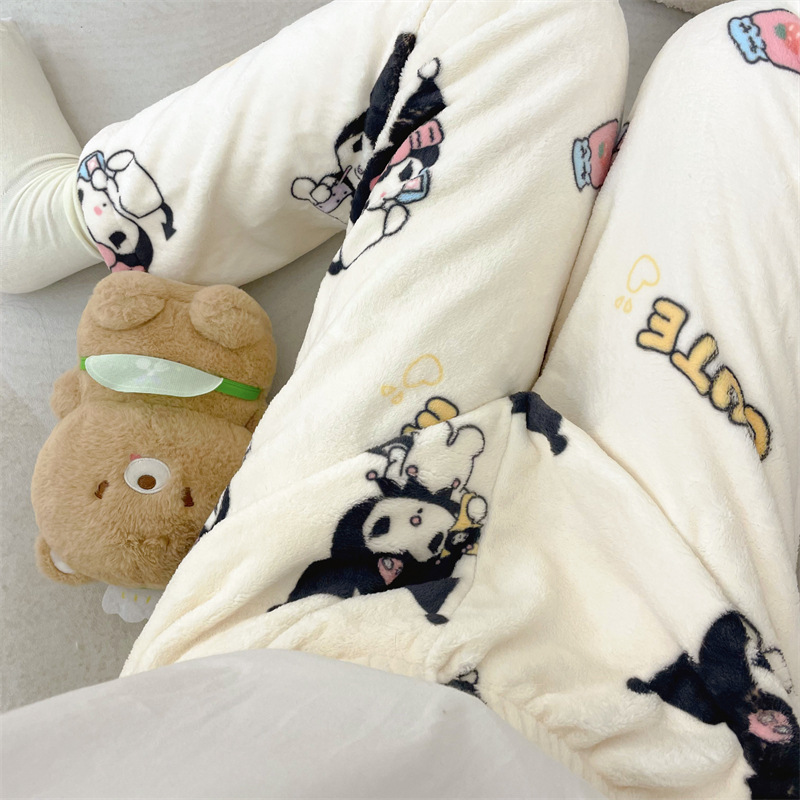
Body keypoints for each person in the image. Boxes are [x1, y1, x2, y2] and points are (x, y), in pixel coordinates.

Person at [2, 2, 798, 796]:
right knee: (765, 53)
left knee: (520, 14)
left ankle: (67, 215)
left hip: (307, 603)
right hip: (687, 696)